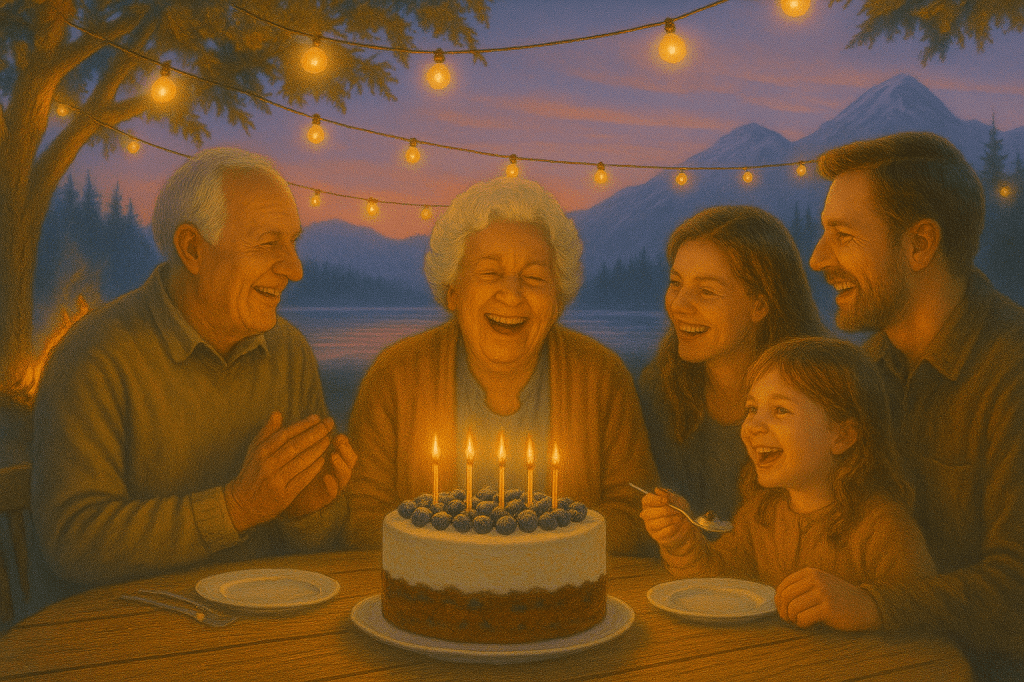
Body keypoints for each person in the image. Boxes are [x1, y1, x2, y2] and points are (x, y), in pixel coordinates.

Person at [31, 148, 356, 586]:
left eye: (292, 243)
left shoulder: (289, 352)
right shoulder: (94, 356)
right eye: (267, 244)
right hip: (126, 632)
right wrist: (234, 509)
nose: (294, 269)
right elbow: (70, 542)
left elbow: (317, 548)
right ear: (192, 249)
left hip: (265, 619)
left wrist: (305, 513)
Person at [344, 176, 657, 555]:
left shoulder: (602, 376)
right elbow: (361, 518)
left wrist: (537, 558)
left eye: (535, 277)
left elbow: (635, 512)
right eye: (490, 273)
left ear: (557, 300)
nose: (511, 293)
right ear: (453, 290)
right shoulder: (396, 375)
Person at [810, 131, 1024, 679]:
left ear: (919, 245)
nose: (818, 259)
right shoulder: (866, 372)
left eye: (843, 235)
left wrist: (875, 604)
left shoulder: (1011, 374)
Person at [641, 337, 936, 630]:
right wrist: (680, 541)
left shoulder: (883, 528)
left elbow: (925, 614)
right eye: (752, 409)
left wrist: (866, 603)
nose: (753, 426)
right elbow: (718, 582)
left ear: (842, 436)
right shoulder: (761, 514)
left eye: (781, 410)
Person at [638, 206, 825, 522]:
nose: (679, 305)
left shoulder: (818, 396)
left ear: (760, 305)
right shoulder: (659, 388)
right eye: (675, 283)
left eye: (707, 291)